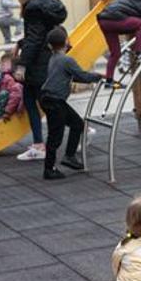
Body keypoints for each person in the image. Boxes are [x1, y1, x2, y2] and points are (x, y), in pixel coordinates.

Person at [13, 0, 68, 162]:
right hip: (49, 56)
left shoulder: (32, 8)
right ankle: (41, 143)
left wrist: (22, 65)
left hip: (38, 61)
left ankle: (40, 145)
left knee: (43, 102)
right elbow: (41, 33)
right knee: (40, 100)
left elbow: (35, 39)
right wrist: (22, 42)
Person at [39, 27, 104, 180]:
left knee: (77, 125)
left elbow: (70, 77)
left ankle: (69, 156)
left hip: (49, 98)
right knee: (55, 136)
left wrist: (93, 77)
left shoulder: (54, 58)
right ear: (66, 42)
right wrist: (99, 76)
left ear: (50, 45)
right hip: (55, 101)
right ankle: (49, 169)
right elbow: (82, 75)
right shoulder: (66, 60)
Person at [0, 55, 24, 121]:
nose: (1, 66)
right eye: (1, 64)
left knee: (3, 93)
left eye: (4, 64)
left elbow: (15, 96)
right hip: (5, 106)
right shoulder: (3, 76)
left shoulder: (9, 78)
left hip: (8, 110)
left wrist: (7, 112)